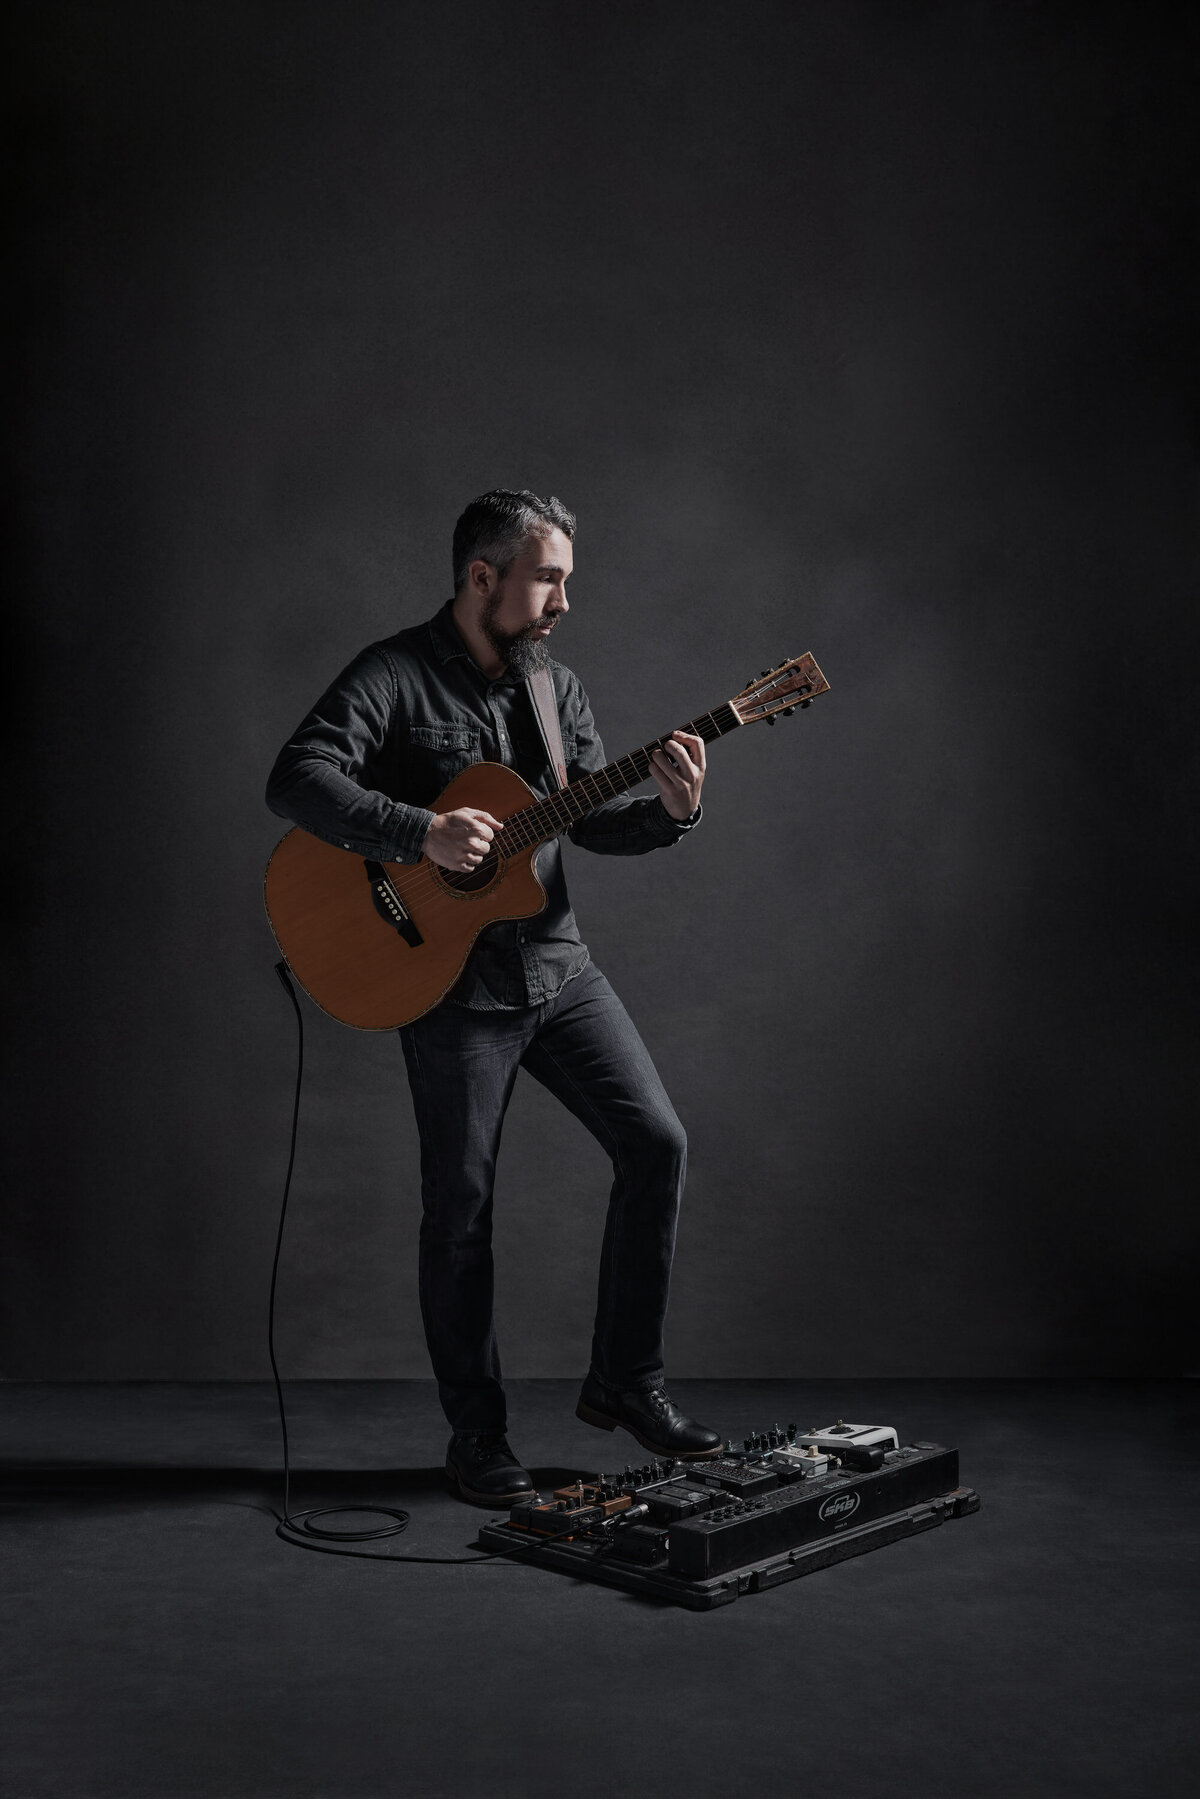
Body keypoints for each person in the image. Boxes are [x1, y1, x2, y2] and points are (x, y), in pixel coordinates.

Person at [265, 489, 721, 1505]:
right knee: (461, 1212)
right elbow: (295, 778)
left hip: (559, 969)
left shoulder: (558, 691)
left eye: (565, 579)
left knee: (658, 1142)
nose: (564, 599)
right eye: (549, 576)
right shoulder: (390, 674)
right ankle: (477, 1437)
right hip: (452, 987)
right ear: (485, 577)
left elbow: (588, 817)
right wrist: (413, 831)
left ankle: (626, 1380)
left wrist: (671, 814)